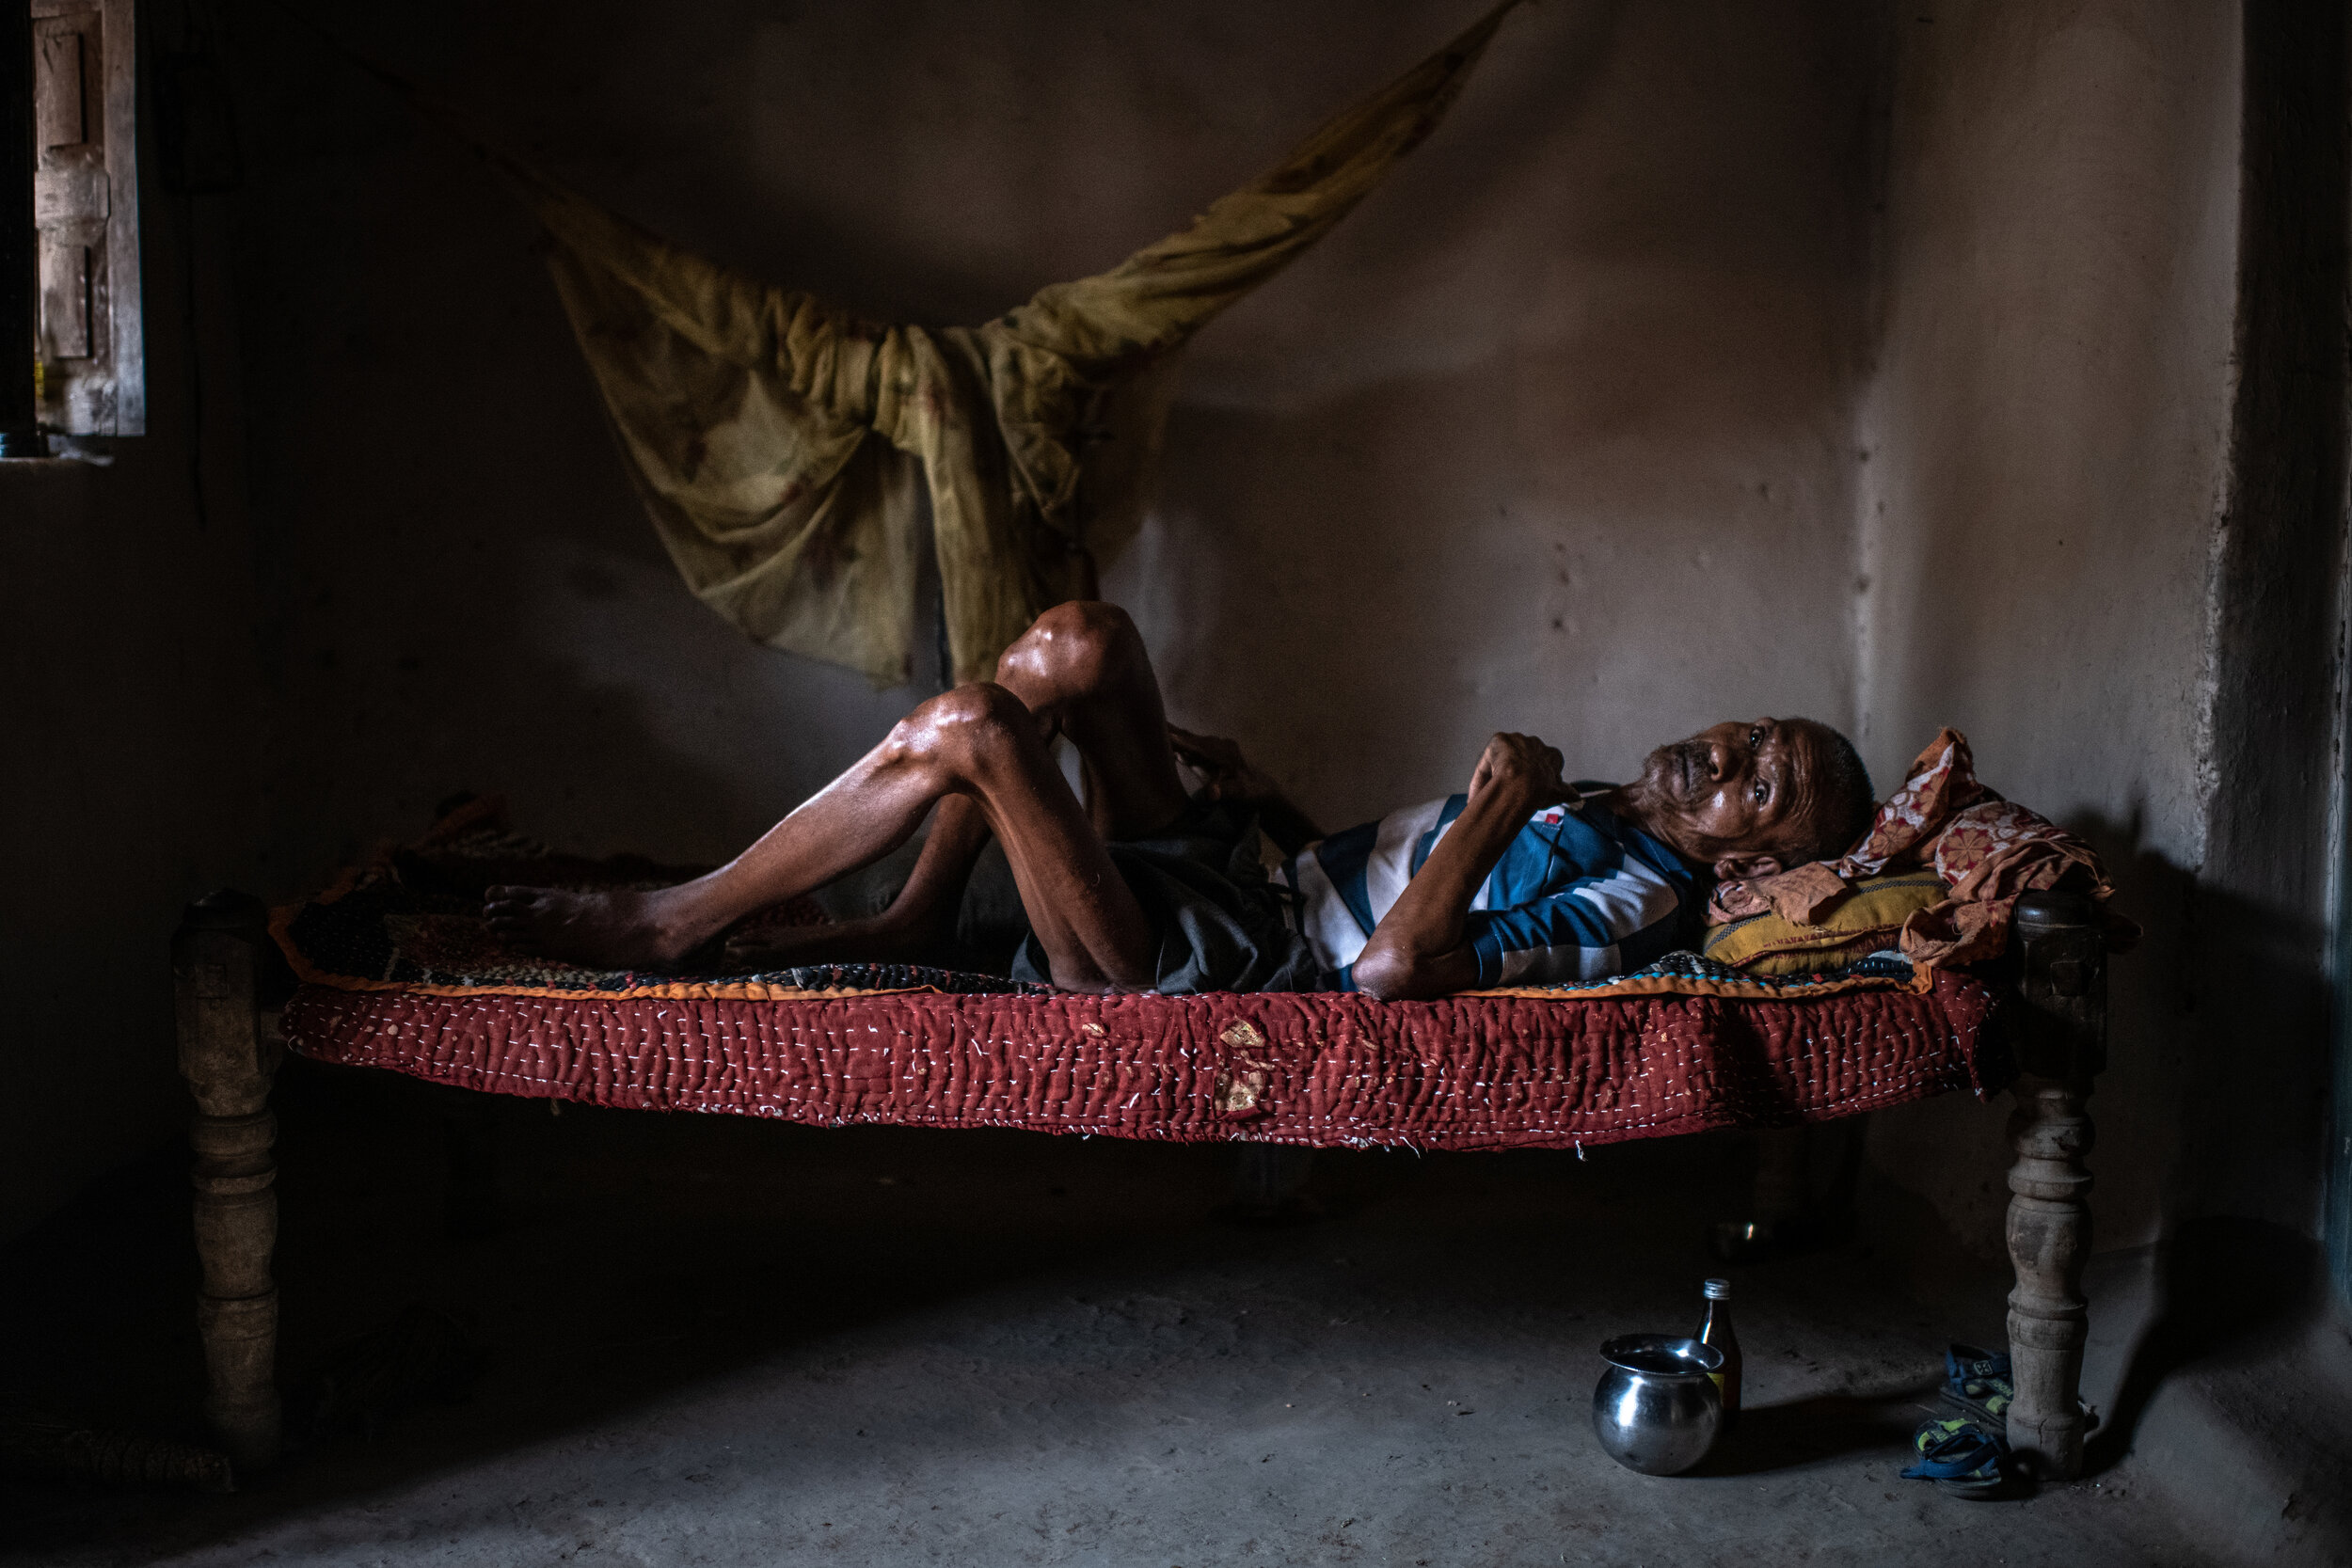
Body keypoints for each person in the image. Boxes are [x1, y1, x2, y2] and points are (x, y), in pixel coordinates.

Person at [485, 602, 1875, 999]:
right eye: (1752, 732)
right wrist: (1279, 808)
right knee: (1075, 650)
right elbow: (1369, 886)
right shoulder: (1610, 810)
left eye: (1769, 784)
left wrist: (1497, 816)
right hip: (1241, 875)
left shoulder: (1641, 896)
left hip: (1215, 955)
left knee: (974, 728)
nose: (1733, 754)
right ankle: (913, 916)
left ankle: (670, 925)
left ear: (1765, 861)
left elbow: (1392, 970)